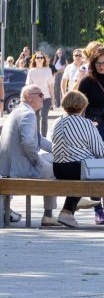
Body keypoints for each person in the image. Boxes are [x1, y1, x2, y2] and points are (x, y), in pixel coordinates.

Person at [52, 91, 104, 228]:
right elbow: (99, 150)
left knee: (82, 174)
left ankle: (67, 213)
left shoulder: (57, 121)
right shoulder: (87, 124)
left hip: (59, 168)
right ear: (82, 107)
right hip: (77, 168)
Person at [0, 85, 56, 226]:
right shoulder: (28, 114)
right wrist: (37, 162)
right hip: (19, 169)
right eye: (40, 95)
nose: (44, 97)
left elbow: (38, 140)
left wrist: (59, 149)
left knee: (54, 158)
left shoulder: (17, 111)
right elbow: (28, 143)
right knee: (55, 169)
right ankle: (49, 214)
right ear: (28, 97)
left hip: (9, 166)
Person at [26, 52, 55, 136]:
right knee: (36, 118)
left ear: (43, 59)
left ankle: (44, 137)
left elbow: (50, 86)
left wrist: (53, 99)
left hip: (46, 97)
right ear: (35, 59)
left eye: (41, 57)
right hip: (35, 98)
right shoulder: (31, 71)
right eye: (37, 57)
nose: (39, 59)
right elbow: (29, 86)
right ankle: (37, 136)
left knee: (44, 117)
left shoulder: (48, 70)